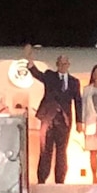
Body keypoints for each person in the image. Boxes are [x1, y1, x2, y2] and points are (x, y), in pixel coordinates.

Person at [23, 44, 83, 184]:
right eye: (61, 63)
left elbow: (78, 101)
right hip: (48, 119)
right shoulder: (50, 76)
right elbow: (36, 73)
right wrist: (30, 60)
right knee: (45, 150)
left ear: (68, 65)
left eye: (65, 63)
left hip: (64, 120)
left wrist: (80, 121)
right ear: (57, 64)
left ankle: (60, 180)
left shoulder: (74, 82)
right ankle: (42, 179)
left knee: (62, 152)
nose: (63, 65)